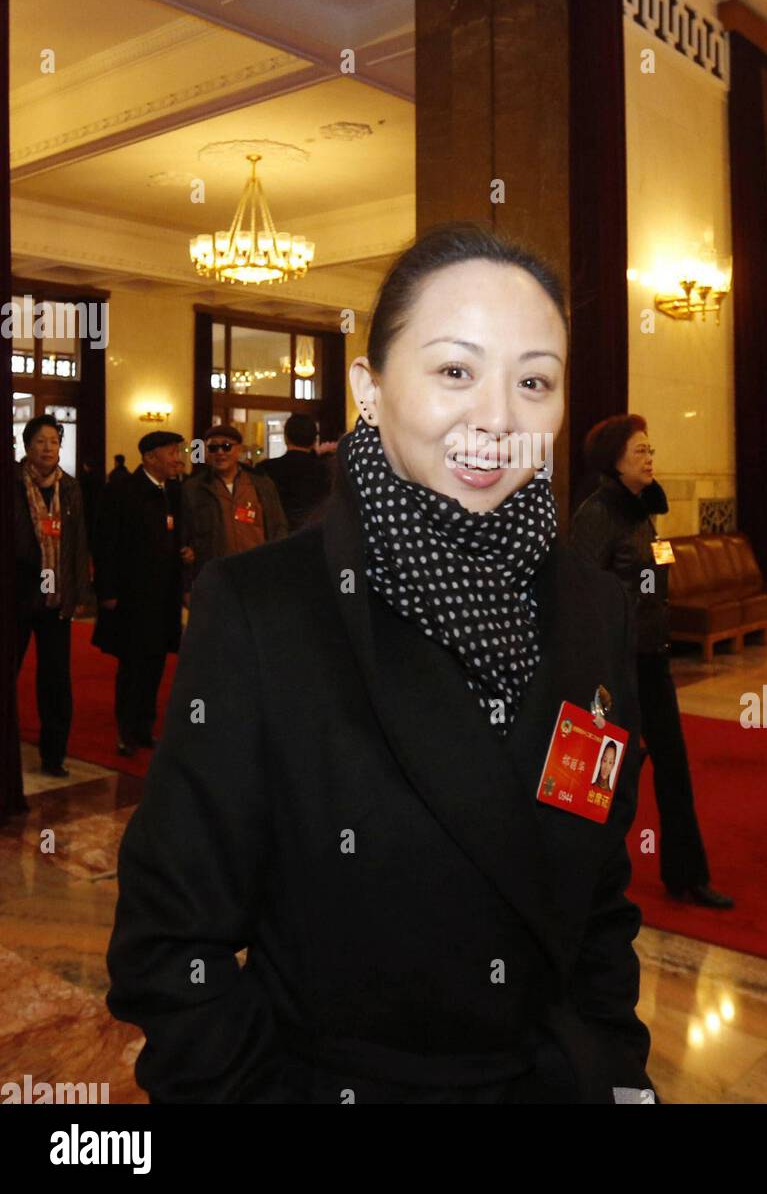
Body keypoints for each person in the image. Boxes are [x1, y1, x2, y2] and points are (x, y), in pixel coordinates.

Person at [106, 223, 656, 1105]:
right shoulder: (264, 608)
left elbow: (597, 900)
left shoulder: (591, 607)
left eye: (534, 381)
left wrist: (613, 1069)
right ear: (368, 389)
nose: (497, 418)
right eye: (454, 371)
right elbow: (172, 943)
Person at [570, 415, 733, 910]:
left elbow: (651, 578)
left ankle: (686, 875)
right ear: (613, 461)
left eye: (651, 449)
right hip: (611, 664)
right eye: (640, 451)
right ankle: (580, 879)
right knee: (601, 775)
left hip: (651, 657)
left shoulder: (642, 511)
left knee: (674, 766)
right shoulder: (598, 513)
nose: (649, 458)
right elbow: (581, 590)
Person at [92, 432, 187, 756]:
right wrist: (107, 591)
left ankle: (145, 727)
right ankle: (126, 730)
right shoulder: (123, 491)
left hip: (164, 597)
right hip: (133, 597)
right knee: (133, 666)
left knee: (155, 664)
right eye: (172, 452)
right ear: (149, 457)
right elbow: (105, 543)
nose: (178, 457)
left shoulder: (173, 491)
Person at [14, 415, 92, 777]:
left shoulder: (71, 487)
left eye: (54, 442)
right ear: (27, 446)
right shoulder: (12, 482)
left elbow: (78, 544)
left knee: (56, 678)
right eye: (41, 441)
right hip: (17, 594)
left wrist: (77, 592)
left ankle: (53, 755)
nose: (48, 448)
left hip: (55, 596)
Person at [181, 424, 287, 587]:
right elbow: (187, 538)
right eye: (213, 448)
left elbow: (278, 526)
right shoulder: (194, 488)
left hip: (257, 572)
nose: (220, 453)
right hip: (216, 577)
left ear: (239, 450)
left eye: (226, 446)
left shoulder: (261, 484)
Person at [255, 413, 331, 532]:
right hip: (315, 536)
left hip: (278, 537)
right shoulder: (326, 470)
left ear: (286, 437)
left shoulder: (267, 469)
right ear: (314, 440)